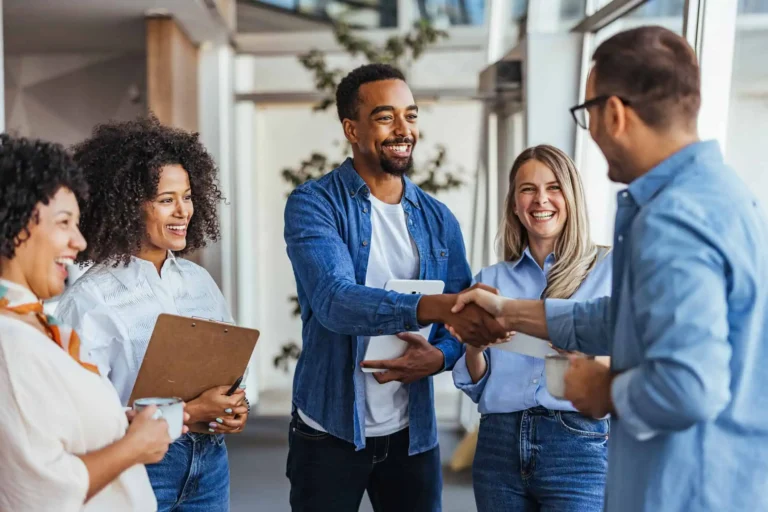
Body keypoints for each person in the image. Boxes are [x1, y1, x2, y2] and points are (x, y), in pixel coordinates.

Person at [450, 26, 768, 512]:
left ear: (614, 113)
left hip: (686, 488)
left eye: (588, 114)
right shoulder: (721, 194)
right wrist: (508, 310)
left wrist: (604, 389)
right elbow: (617, 320)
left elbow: (689, 387)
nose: (591, 131)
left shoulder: (673, 219)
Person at [283, 63, 507, 512]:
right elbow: (334, 301)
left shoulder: (438, 218)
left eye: (412, 115)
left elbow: (458, 320)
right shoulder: (314, 204)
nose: (403, 129)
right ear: (352, 128)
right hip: (329, 429)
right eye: (386, 117)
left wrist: (440, 355)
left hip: (412, 434)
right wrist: (432, 306)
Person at [56, 116, 248, 512]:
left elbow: (227, 370)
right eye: (166, 200)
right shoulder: (91, 300)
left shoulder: (199, 282)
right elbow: (85, 421)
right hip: (140, 466)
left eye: (189, 196)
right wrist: (191, 411)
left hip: (210, 463)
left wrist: (232, 409)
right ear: (126, 206)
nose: (183, 212)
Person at [0, 134, 176, 511]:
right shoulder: (9, 341)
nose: (79, 241)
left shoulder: (33, 323)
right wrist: (134, 448)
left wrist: (116, 424)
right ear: (15, 226)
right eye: (64, 222)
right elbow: (40, 494)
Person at [453, 145, 611, 511]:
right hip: (498, 444)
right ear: (514, 203)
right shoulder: (491, 280)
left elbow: (629, 361)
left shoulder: (608, 270)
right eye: (528, 189)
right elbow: (476, 383)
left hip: (577, 445)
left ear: (572, 196)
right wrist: (476, 344)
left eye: (554, 187)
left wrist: (582, 352)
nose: (541, 199)